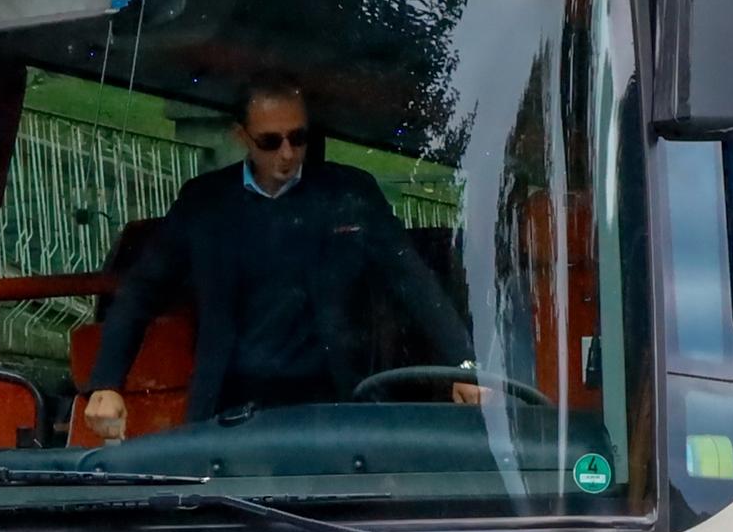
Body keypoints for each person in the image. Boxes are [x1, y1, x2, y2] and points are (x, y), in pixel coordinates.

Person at [80, 78, 478, 439]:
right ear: (242, 137)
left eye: (298, 138)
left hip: (331, 401)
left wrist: (463, 364)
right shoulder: (204, 203)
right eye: (270, 141)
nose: (287, 153)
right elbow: (141, 290)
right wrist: (107, 383)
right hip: (229, 405)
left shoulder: (349, 194)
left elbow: (411, 278)